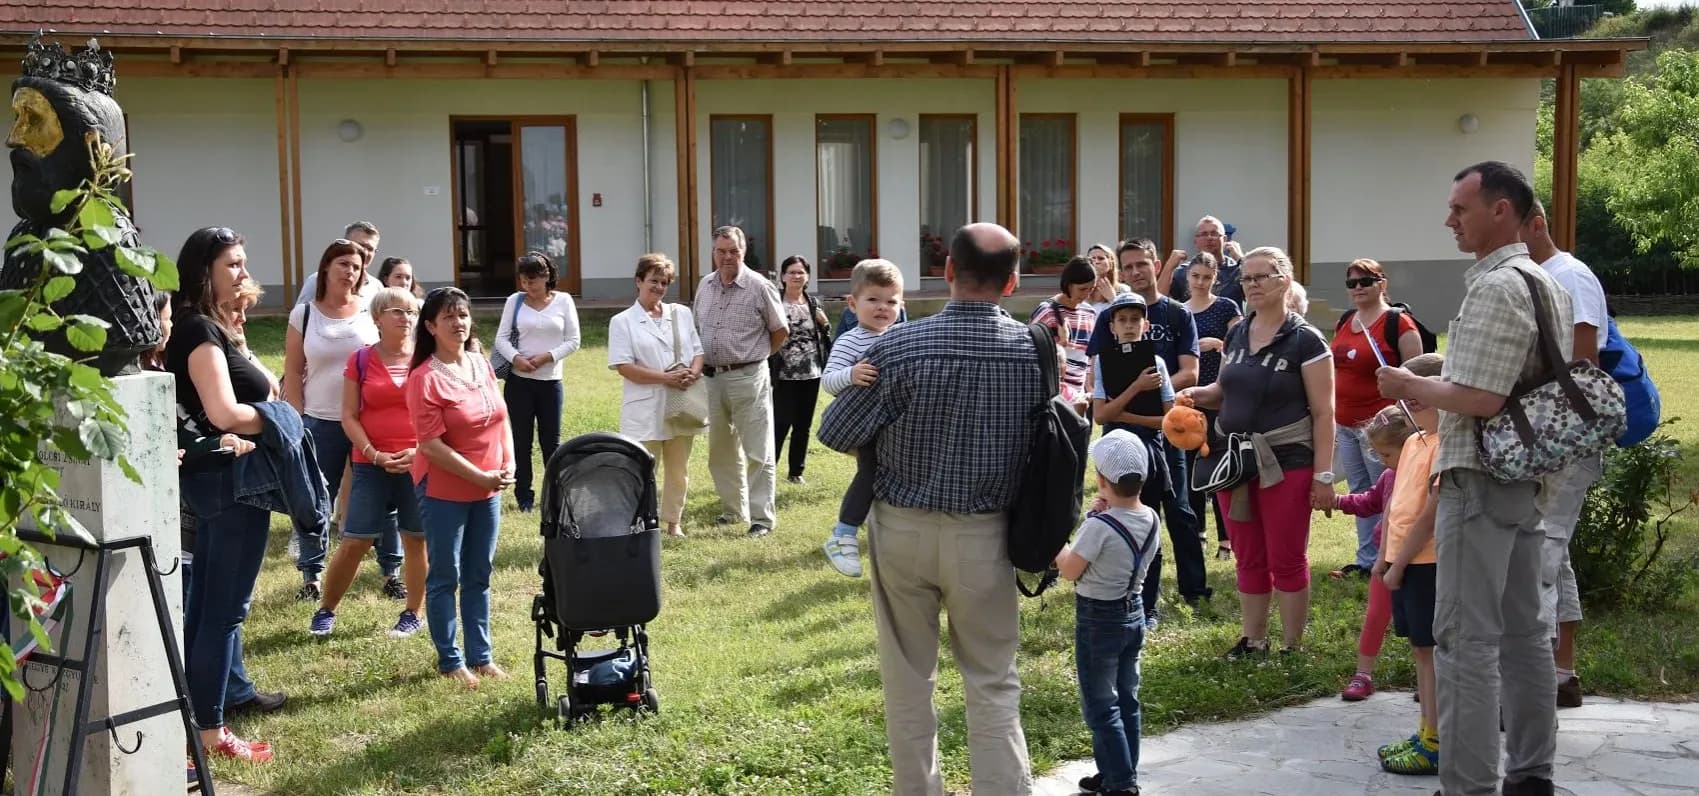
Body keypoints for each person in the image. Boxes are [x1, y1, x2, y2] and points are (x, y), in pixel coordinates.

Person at [818, 223, 1041, 795]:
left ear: (946, 274)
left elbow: (836, 431)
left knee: (908, 680)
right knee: (993, 679)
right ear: (1012, 282)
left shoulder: (900, 344)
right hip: (987, 535)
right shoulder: (1031, 349)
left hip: (902, 529)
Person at [1376, 161, 1571, 796]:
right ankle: (1532, 775)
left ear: (1502, 212)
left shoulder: (1495, 287)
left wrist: (1408, 384)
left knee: (1465, 640)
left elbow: (1480, 397)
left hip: (1480, 481)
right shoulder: (1548, 284)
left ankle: (1467, 784)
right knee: (1525, 635)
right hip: (1525, 480)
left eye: (1461, 208)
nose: (1449, 219)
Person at [168, 226, 304, 761]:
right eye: (234, 265)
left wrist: (242, 343)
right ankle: (210, 734)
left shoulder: (212, 329)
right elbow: (224, 413)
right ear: (204, 271)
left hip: (226, 481)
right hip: (230, 484)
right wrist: (278, 419)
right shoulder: (198, 331)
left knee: (207, 609)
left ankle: (198, 725)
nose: (245, 274)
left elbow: (267, 386)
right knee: (222, 613)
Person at [1180, 246, 1335, 657]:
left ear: (1284, 280)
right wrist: (1199, 394)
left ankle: (1291, 645)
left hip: (1287, 463)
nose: (1251, 285)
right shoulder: (1236, 332)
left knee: (1285, 556)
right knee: (1247, 555)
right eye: (1246, 278)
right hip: (1235, 463)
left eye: (1261, 276)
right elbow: (1225, 391)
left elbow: (1324, 413)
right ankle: (1253, 640)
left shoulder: (1306, 340)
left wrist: (1324, 476)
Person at [407, 286, 517, 690]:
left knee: (479, 573)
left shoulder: (480, 362)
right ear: (431, 326)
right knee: (445, 575)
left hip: (489, 486)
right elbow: (431, 446)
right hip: (444, 489)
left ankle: (481, 656)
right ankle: (450, 660)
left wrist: (509, 461)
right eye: (449, 317)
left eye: (464, 315)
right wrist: (480, 476)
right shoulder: (423, 378)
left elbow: (500, 418)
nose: (459, 322)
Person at [1521, 200, 1608, 709]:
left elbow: (1583, 365)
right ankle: (1562, 674)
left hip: (1561, 440)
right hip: (1543, 439)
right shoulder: (1537, 276)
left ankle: (1531, 688)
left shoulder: (1568, 277)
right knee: (1556, 554)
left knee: (1540, 556)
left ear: (1536, 225)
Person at [308, 287, 429, 640]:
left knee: (416, 539)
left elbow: (439, 415)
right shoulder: (360, 360)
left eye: (411, 312)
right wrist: (373, 454)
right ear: (377, 318)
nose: (406, 318)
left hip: (417, 464)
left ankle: (412, 613)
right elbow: (348, 415)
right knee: (354, 541)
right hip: (369, 463)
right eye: (397, 311)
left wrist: (418, 451)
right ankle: (326, 610)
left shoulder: (425, 360)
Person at [1346, 356, 1445, 775]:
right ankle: (1426, 731)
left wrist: (1400, 563)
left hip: (1426, 563)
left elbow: (1431, 513)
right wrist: (1384, 556)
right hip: (1401, 562)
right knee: (1420, 649)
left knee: (1431, 652)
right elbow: (1394, 507)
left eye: (1414, 398)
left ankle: (1437, 740)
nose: (1408, 408)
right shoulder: (1413, 443)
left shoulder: (1445, 444)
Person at [284, 239, 395, 602]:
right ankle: (312, 576)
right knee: (316, 498)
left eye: (357, 267)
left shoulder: (369, 313)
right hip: (320, 422)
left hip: (368, 422)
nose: (351, 272)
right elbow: (293, 372)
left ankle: (391, 572)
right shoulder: (304, 314)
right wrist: (298, 423)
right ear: (326, 268)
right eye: (344, 264)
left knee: (381, 496)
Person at [1055, 430, 1161, 796]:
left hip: (1097, 620)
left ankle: (1121, 784)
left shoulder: (1098, 527)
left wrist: (1058, 542)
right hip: (1134, 613)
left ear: (1101, 480)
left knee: (1101, 707)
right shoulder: (1150, 518)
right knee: (1127, 701)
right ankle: (1117, 769)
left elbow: (1070, 570)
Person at [1114, 238, 1208, 623]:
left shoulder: (1176, 314)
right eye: (1129, 266)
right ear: (1121, 273)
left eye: (1142, 264)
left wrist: (1156, 385)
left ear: (1156, 265)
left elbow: (1192, 371)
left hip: (1170, 426)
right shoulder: (1114, 314)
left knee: (1181, 509)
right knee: (1138, 513)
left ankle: (1195, 588)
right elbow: (1102, 373)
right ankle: (1140, 595)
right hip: (1126, 429)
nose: (1136, 272)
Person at [1330, 258, 1425, 579]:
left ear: (1382, 284)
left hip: (1383, 428)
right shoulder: (1346, 321)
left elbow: (1418, 374)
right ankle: (1366, 559)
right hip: (1345, 423)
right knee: (1360, 490)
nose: (1357, 288)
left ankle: (1390, 555)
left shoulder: (1398, 324)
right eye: (1351, 283)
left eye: (1365, 281)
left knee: (1384, 492)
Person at [693, 226, 787, 537]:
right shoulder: (705, 286)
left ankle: (762, 519)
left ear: (743, 251)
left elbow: (780, 331)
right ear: (713, 252)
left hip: (748, 376)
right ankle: (733, 511)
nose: (727, 257)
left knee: (757, 450)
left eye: (733, 251)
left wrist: (756, 358)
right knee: (720, 449)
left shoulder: (760, 287)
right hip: (712, 378)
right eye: (721, 251)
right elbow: (696, 328)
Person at [608, 253, 705, 537]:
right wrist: (666, 378)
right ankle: (640, 523)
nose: (659, 287)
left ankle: (673, 522)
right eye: (653, 281)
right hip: (645, 408)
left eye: (664, 282)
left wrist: (693, 373)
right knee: (641, 470)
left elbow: (698, 351)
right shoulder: (622, 321)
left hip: (681, 404)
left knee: (678, 470)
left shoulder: (681, 314)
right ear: (638, 281)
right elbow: (624, 367)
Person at [820, 259, 905, 577]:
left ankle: (885, 534)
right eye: (873, 300)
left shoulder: (900, 336)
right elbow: (828, 381)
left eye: (891, 301)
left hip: (895, 425)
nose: (883, 308)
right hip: (864, 426)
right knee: (869, 473)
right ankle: (842, 534)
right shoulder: (850, 340)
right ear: (853, 304)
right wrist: (851, 374)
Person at [493, 251, 582, 512]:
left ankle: (555, 493)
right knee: (521, 440)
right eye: (523, 281)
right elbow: (501, 338)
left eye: (532, 281)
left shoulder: (564, 301)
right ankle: (524, 496)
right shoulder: (515, 301)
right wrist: (516, 358)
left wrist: (548, 357)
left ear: (546, 277)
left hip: (550, 381)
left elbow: (573, 341)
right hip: (520, 382)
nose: (527, 287)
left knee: (550, 441)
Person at [1181, 252, 1242, 560]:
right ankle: (1198, 534)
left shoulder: (1226, 307)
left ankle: (1226, 539)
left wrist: (1217, 345)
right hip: (1190, 397)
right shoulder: (1180, 311)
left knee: (1219, 466)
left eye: (1207, 277)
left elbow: (1241, 344)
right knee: (1191, 468)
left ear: (1215, 277)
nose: (1201, 282)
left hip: (1220, 395)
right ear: (1188, 278)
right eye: (1196, 276)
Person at [770, 255, 832, 486]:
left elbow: (825, 331)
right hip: (783, 372)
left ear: (807, 277)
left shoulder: (813, 303)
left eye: (801, 272)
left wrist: (824, 322)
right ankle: (770, 469)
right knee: (780, 422)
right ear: (783, 276)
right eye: (792, 272)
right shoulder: (775, 301)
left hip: (811, 371)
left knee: (803, 425)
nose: (796, 276)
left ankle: (796, 471)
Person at [1029, 256, 1099, 415]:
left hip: (1080, 398)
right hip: (1053, 398)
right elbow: (1031, 353)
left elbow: (1088, 356)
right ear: (1068, 284)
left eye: (1091, 289)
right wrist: (1061, 344)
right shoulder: (1047, 312)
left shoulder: (1089, 313)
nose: (1087, 294)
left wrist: (1089, 389)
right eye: (1082, 289)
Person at [1159, 215, 1243, 306]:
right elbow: (1159, 301)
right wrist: (1169, 267)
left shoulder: (1237, 269)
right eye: (1204, 234)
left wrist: (1241, 259)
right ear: (1195, 241)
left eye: (1214, 233)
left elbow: (1258, 288)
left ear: (1225, 239)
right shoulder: (1184, 271)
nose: (1209, 238)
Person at [294, 221, 382, 305]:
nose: (365, 252)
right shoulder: (317, 281)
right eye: (359, 246)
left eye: (370, 249)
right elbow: (301, 317)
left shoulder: (376, 287)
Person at [1085, 242, 1132, 314]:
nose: (1096, 262)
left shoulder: (1123, 290)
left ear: (1111, 263)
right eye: (1092, 259)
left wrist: (1113, 299)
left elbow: (1128, 316)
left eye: (1101, 258)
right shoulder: (1082, 290)